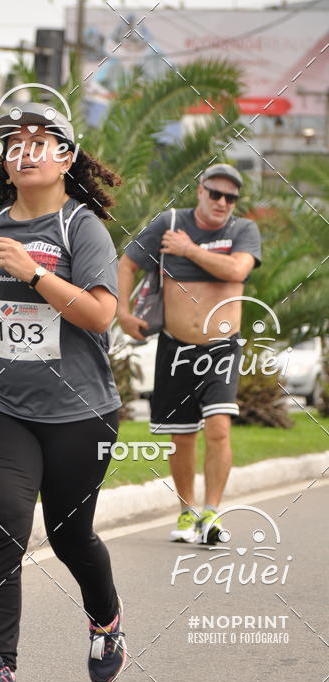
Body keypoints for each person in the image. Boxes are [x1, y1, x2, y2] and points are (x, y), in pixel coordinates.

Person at [0, 102, 125, 682]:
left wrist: (34, 273)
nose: (24, 150)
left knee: (72, 539)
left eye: (40, 141)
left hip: (79, 414)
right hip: (1, 407)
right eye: (14, 142)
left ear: (66, 159)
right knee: (3, 526)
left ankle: (105, 622)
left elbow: (100, 315)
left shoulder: (82, 229)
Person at [117, 164, 262, 543]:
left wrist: (188, 250)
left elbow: (236, 270)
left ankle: (211, 513)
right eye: (215, 193)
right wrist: (121, 312)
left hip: (221, 349)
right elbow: (128, 263)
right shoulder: (169, 222)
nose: (222, 202)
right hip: (175, 347)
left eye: (230, 197)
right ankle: (187, 513)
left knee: (218, 428)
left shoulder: (242, 230)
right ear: (200, 191)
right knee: (181, 437)